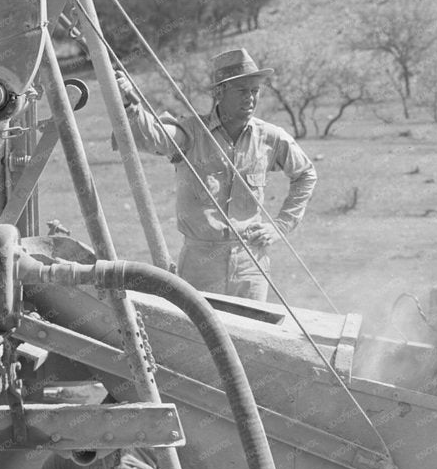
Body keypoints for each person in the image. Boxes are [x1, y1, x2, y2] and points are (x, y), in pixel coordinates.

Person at [117, 48, 317, 301]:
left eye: (255, 91)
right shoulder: (190, 133)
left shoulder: (270, 137)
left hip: (251, 265)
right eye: (242, 91)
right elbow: (152, 136)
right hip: (200, 264)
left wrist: (281, 226)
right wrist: (129, 104)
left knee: (252, 334)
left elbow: (305, 174)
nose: (251, 99)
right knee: (199, 336)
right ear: (219, 93)